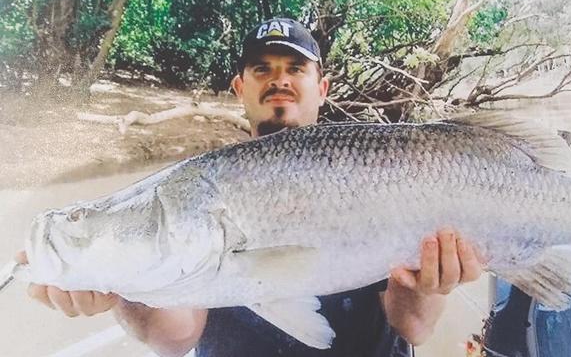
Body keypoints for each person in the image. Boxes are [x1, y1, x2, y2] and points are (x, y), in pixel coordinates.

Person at [15, 18, 484, 357]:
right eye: (262, 68)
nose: (279, 78)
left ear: (322, 87)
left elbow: (415, 327)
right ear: (240, 86)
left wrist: (432, 281)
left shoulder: (387, 171)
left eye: (295, 68)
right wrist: (119, 288)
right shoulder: (193, 189)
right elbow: (176, 338)